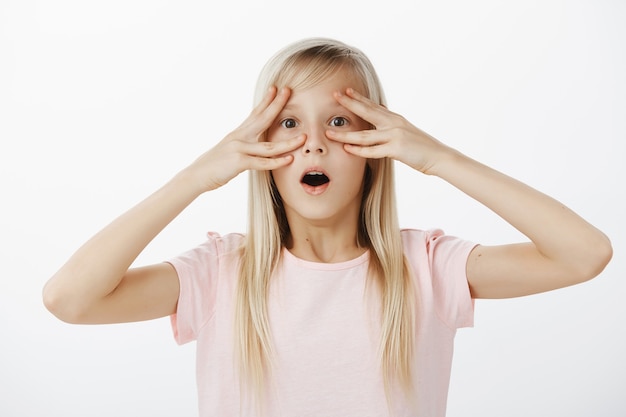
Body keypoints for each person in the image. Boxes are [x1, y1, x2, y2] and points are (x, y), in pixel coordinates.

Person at [42, 38, 612, 416]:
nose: (313, 141)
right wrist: (196, 177)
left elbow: (583, 254)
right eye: (289, 123)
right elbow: (69, 299)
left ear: (374, 145)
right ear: (262, 148)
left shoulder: (427, 268)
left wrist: (439, 158)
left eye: (338, 122)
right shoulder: (221, 274)